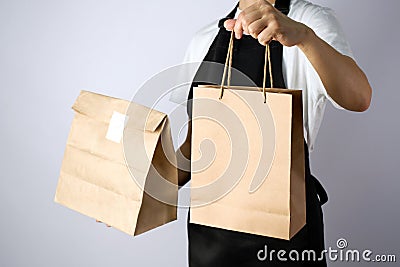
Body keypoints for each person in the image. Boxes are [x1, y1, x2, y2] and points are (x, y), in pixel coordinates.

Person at [173, 0, 372, 266]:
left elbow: (359, 97)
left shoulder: (308, 20)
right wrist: (138, 190)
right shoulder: (205, 38)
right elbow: (194, 145)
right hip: (211, 243)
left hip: (284, 241)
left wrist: (303, 37)